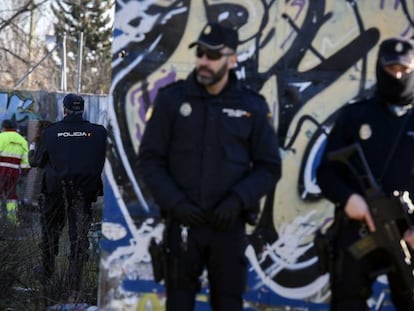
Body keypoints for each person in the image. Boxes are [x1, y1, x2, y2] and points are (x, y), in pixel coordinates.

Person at [137, 22, 281, 311]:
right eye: (200, 52)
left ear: (232, 59)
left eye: (213, 55)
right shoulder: (172, 100)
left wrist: (238, 200)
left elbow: (269, 166)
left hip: (228, 229)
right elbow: (150, 159)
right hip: (183, 227)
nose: (204, 61)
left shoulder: (250, 105)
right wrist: (175, 203)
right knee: (178, 303)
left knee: (228, 303)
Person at [317, 36, 414, 311]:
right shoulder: (355, 117)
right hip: (358, 229)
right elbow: (326, 172)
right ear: (378, 68)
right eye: (391, 69)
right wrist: (350, 200)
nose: (397, 75)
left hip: (408, 233)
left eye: (404, 70)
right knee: (348, 300)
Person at [29, 93, 107, 298]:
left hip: (55, 191)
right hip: (84, 192)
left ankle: (46, 273)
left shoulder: (51, 132)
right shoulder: (99, 133)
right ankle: (75, 282)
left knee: (50, 232)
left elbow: (37, 161)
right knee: (79, 237)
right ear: (82, 109)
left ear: (64, 109)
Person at [0, 119, 30, 225]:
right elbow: (26, 164)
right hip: (14, 174)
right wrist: (23, 173)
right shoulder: (22, 141)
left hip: (1, 172)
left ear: (3, 127)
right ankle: (12, 221)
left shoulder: (1, 137)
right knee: (12, 197)